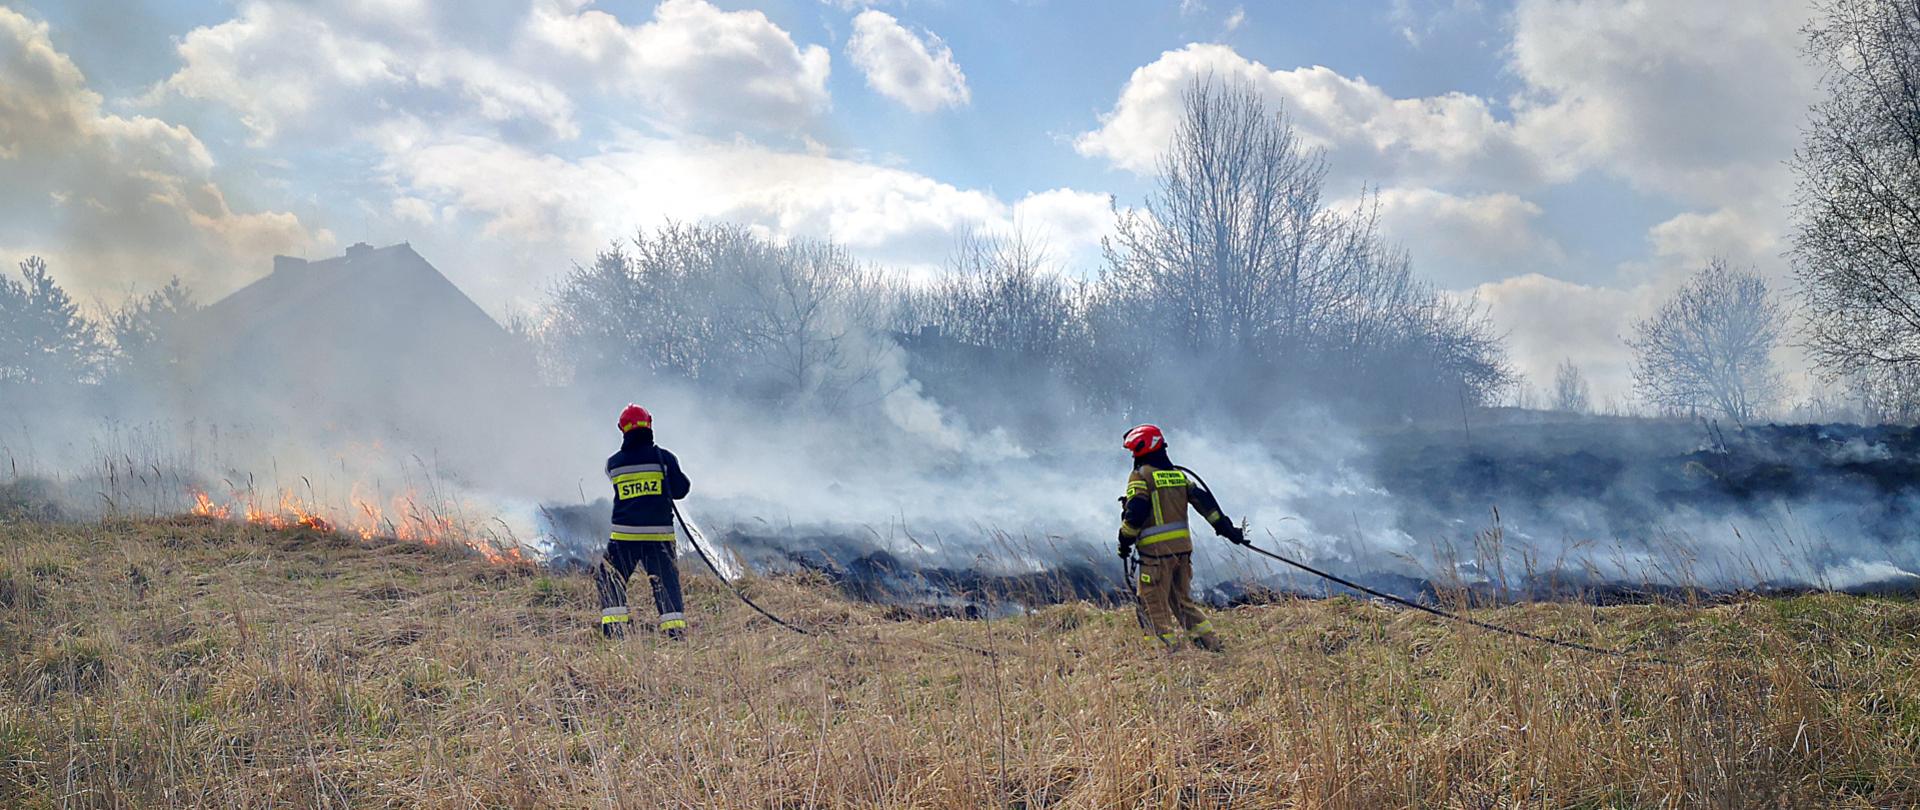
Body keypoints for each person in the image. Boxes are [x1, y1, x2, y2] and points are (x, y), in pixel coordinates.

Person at [1116, 423, 1245, 651]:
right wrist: (1227, 529)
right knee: (1183, 602)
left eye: (1134, 451)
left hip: (1155, 556)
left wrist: (1124, 540)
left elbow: (1136, 513)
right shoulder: (1178, 476)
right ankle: (1211, 645)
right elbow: (1205, 503)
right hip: (1182, 552)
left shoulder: (1140, 476)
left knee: (1152, 605)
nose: (1133, 456)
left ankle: (1166, 654)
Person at [595, 404, 693, 640]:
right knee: (666, 584)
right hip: (660, 537)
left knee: (610, 578)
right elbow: (681, 490)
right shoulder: (665, 458)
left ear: (622, 429)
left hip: (624, 537)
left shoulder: (613, 464)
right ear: (649, 424)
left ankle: (614, 632)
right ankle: (675, 634)